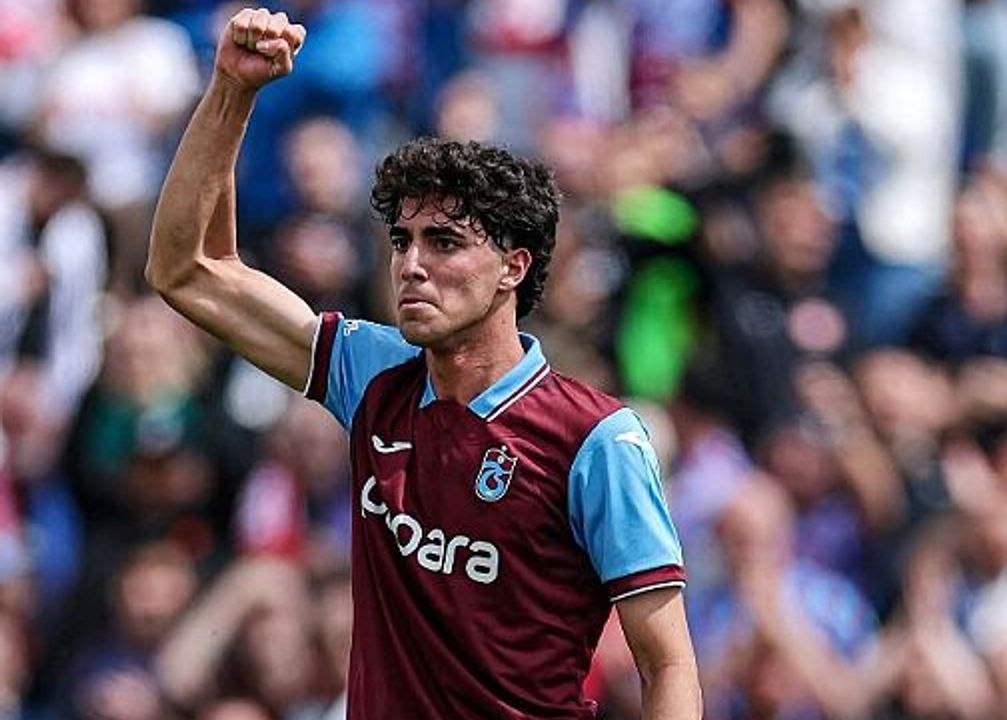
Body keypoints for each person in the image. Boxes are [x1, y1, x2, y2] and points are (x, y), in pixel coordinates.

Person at [145, 8, 701, 720]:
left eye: (444, 243)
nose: (411, 264)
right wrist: (231, 89)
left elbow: (668, 663)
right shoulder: (373, 373)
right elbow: (188, 271)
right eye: (402, 240)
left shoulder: (596, 440)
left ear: (513, 267)